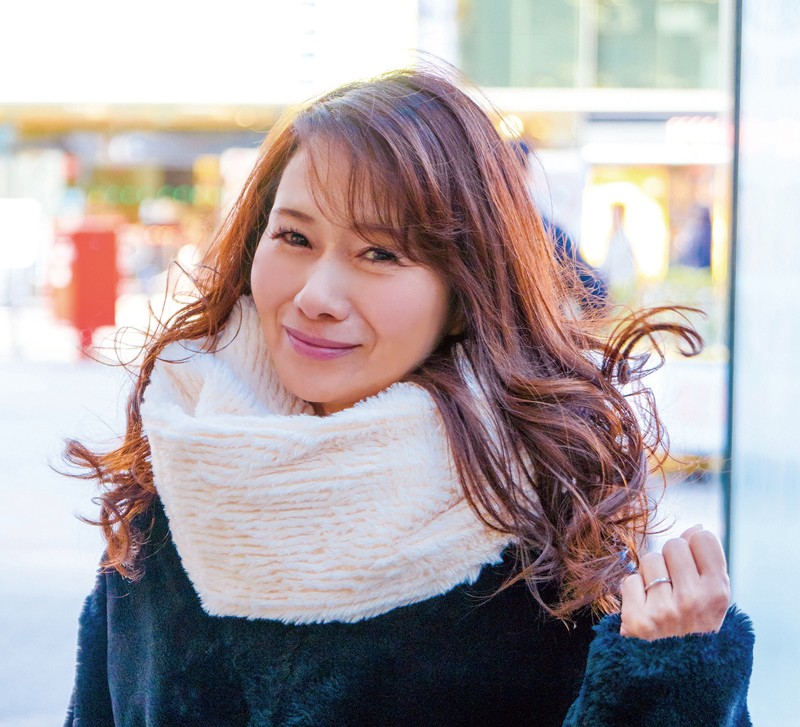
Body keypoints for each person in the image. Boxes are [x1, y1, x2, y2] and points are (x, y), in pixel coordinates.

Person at [63, 68, 753, 726]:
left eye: (381, 254)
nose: (316, 296)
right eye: (295, 236)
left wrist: (669, 682)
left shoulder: (540, 538)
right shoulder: (184, 475)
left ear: (465, 292)